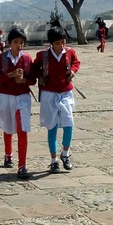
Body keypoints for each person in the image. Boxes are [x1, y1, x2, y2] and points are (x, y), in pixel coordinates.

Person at [32, 26, 81, 173]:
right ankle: (53, 160)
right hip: (49, 93)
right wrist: (39, 77)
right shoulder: (43, 55)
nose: (61, 46)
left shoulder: (70, 52)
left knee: (68, 123)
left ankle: (65, 153)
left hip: (65, 91)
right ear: (51, 44)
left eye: (63, 42)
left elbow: (76, 63)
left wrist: (73, 71)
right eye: (58, 43)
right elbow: (34, 67)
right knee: (51, 126)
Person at [0, 27, 36, 180]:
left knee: (22, 129)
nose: (19, 45)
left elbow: (33, 80)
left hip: (22, 97)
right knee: (8, 126)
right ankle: (8, 154)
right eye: (16, 42)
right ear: (10, 42)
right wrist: (10, 75)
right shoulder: (2, 58)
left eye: (21, 42)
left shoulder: (27, 58)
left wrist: (24, 80)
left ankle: (22, 165)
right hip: (6, 97)